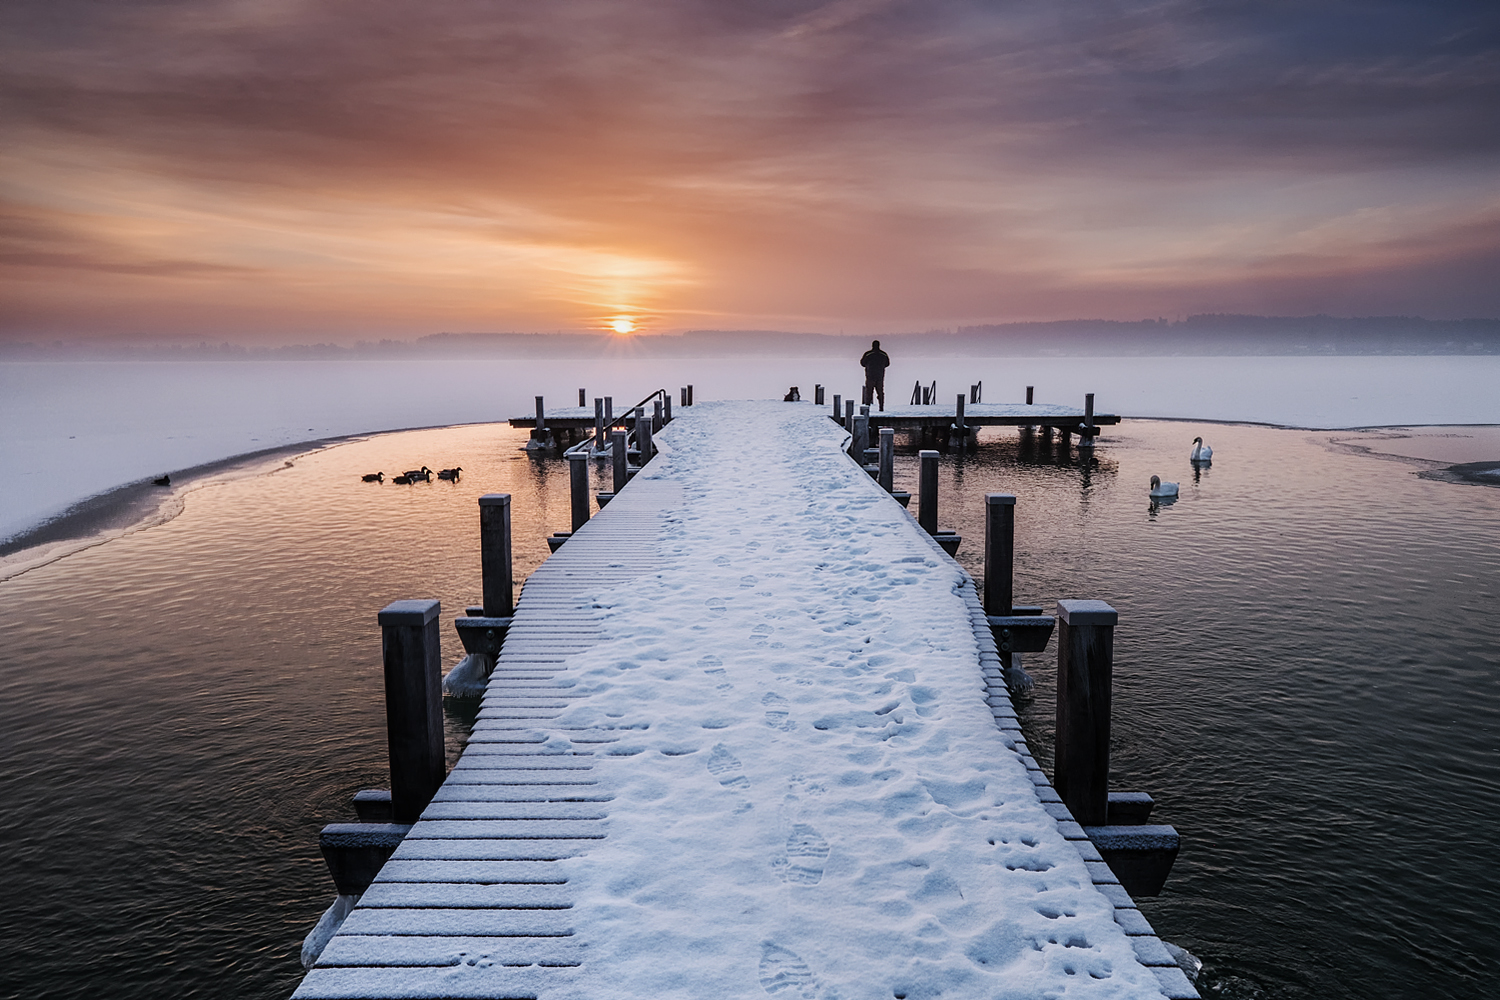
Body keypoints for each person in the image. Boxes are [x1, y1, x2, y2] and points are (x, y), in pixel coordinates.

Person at [860, 339, 890, 411]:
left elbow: (862, 363)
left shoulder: (868, 354)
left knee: (869, 392)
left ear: (872, 345)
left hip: (870, 375)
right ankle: (881, 407)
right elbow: (887, 364)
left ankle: (867, 407)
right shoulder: (884, 354)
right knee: (880, 392)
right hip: (880, 376)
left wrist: (869, 366)